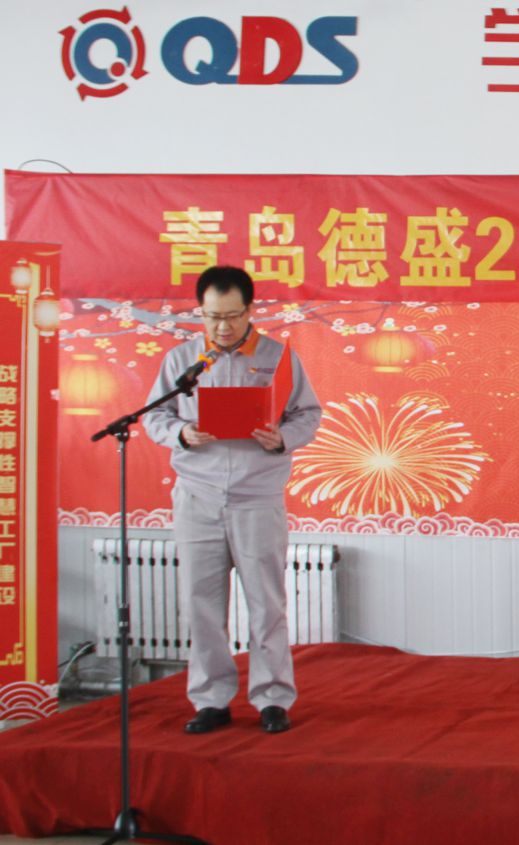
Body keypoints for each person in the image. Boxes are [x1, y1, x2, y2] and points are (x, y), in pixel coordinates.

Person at [143, 266, 322, 734]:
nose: (222, 327)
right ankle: (211, 700)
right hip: (197, 495)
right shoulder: (182, 359)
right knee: (201, 602)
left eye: (232, 316)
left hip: (256, 497)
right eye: (212, 317)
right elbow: (154, 417)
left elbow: (309, 414)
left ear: (250, 311)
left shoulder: (278, 359)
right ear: (200, 312)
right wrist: (182, 432)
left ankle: (272, 698)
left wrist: (282, 438)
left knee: (267, 603)